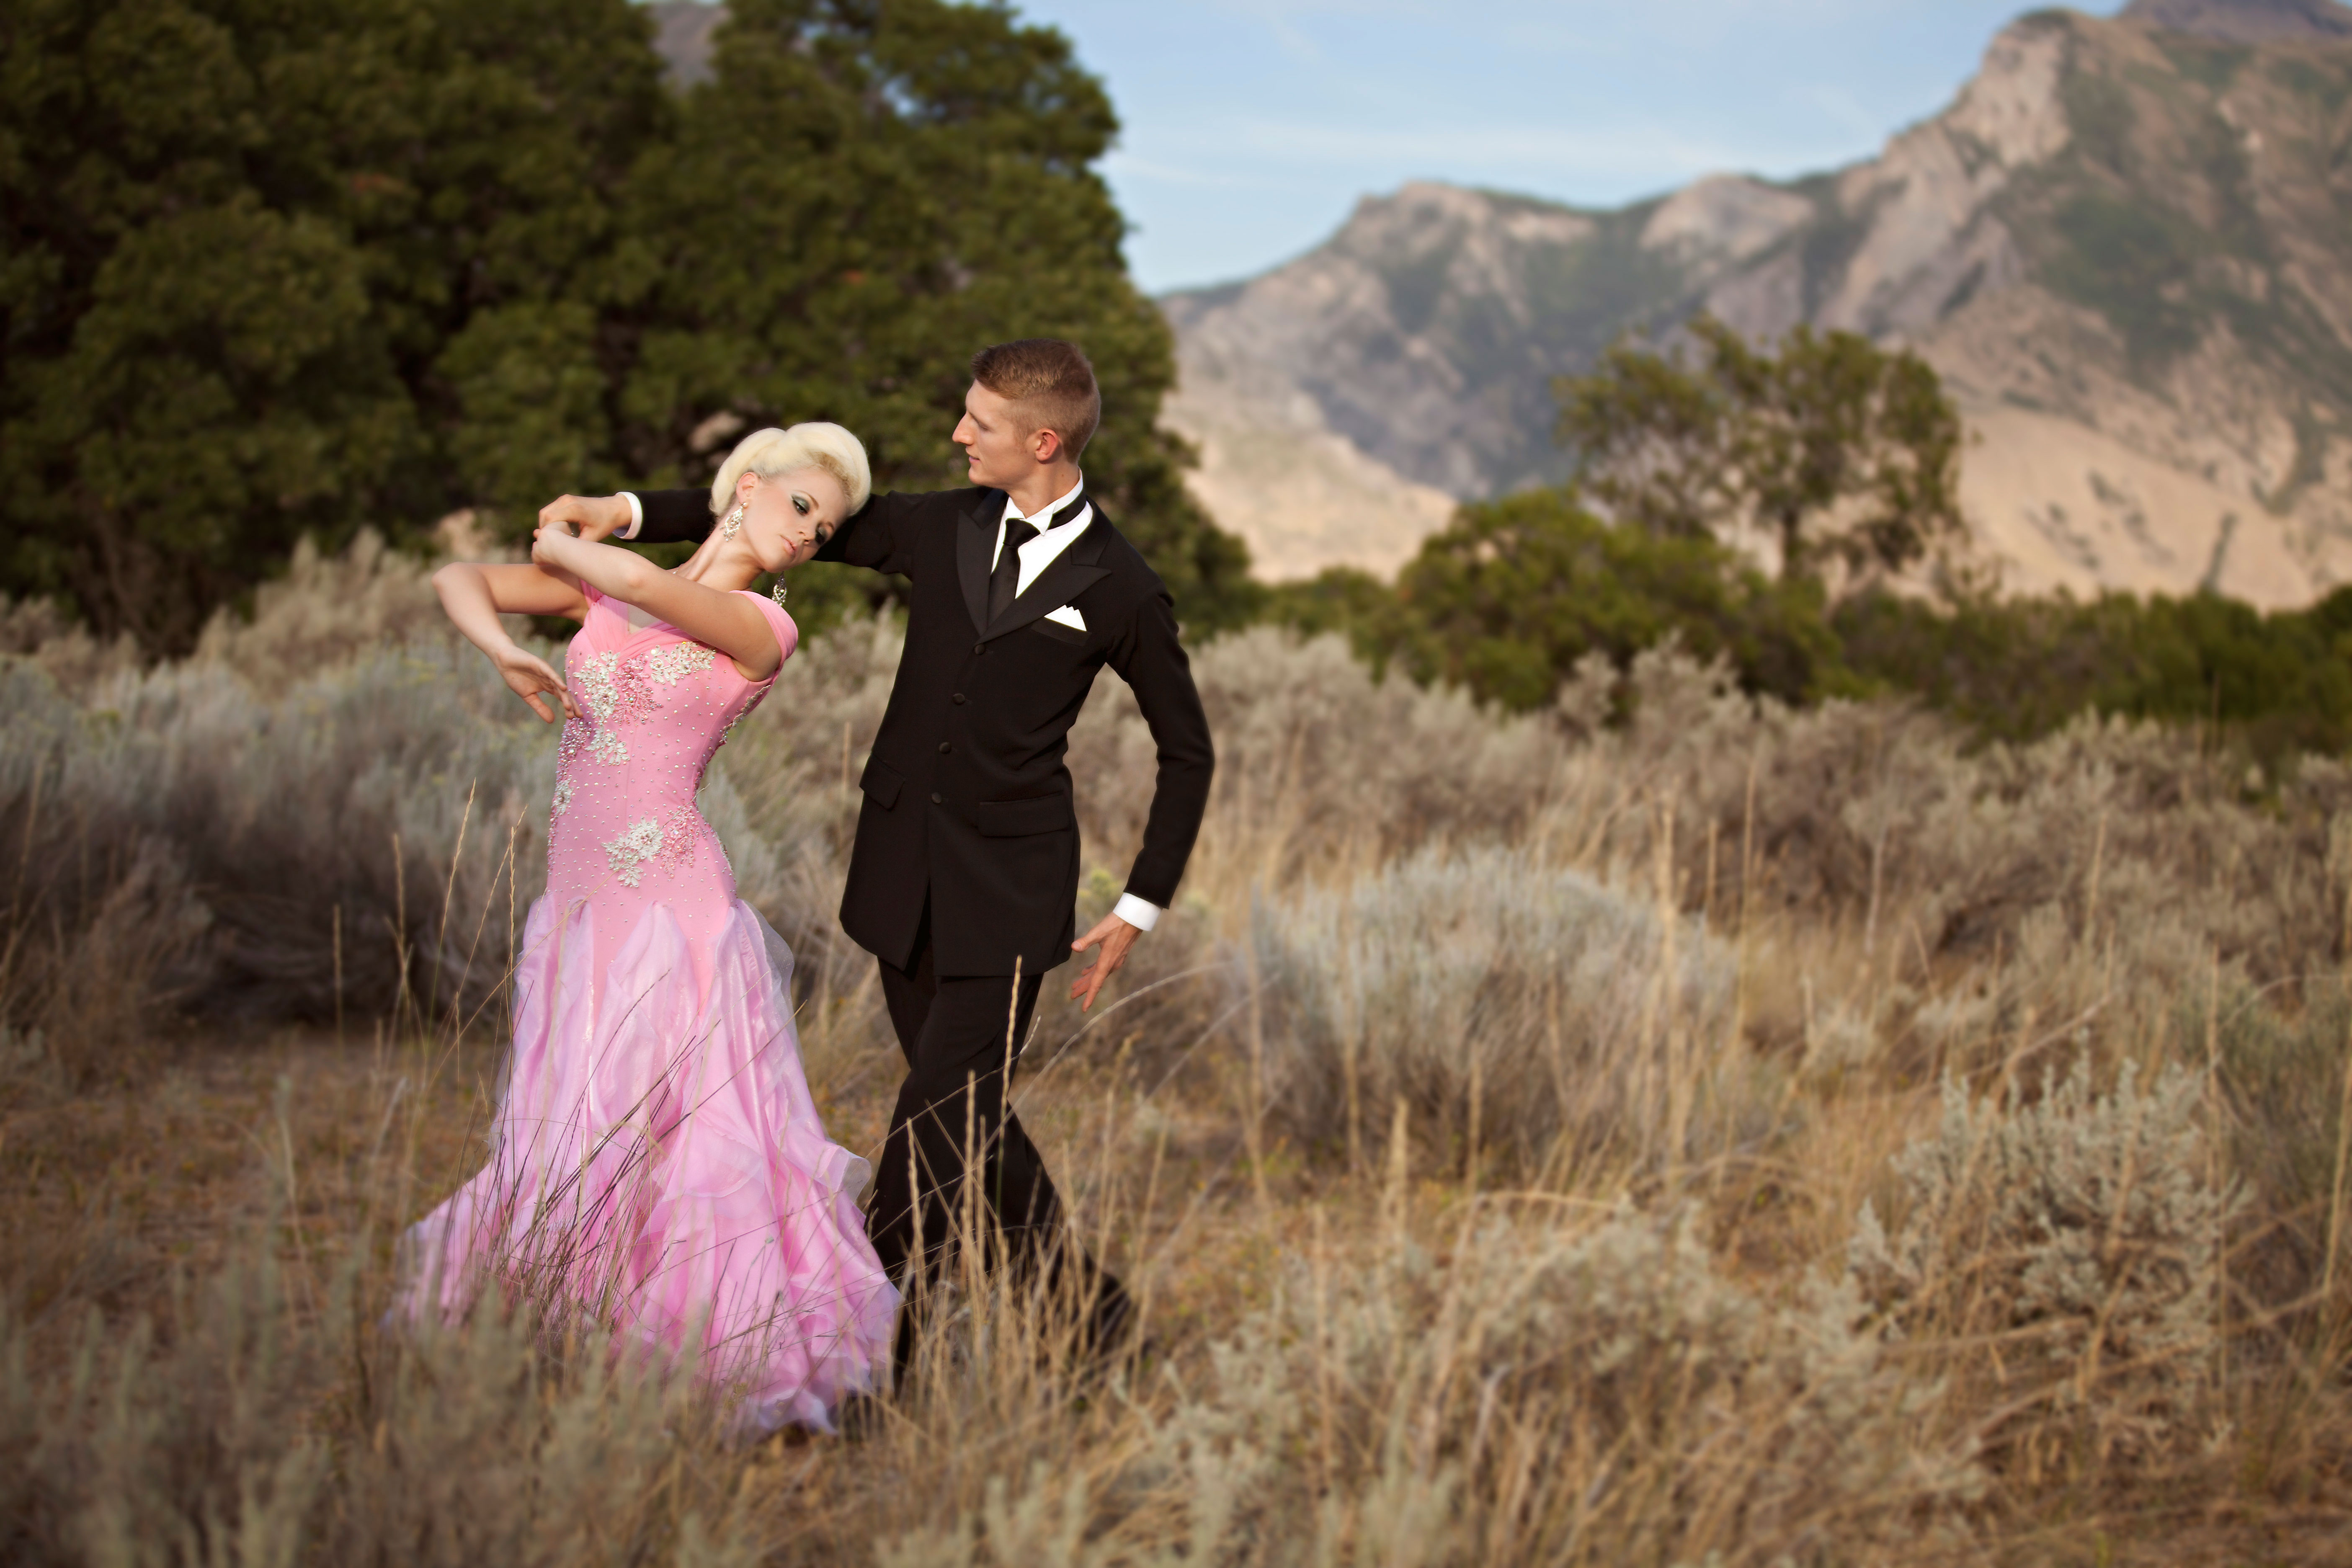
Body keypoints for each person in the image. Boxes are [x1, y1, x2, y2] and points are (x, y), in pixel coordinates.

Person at [538, 338, 1214, 1376]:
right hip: (901, 881)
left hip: (1012, 897)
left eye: (978, 424)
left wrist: (1139, 906)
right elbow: (773, 508)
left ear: (1042, 440)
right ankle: (1095, 1322)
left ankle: (865, 1365)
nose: (957, 435)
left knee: (932, 1131)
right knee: (969, 1118)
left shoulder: (1122, 585)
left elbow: (1187, 749)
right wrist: (622, 511)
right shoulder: (941, 523)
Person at [401, 422, 898, 1436]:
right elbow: (459, 577)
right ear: (749, 486)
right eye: (802, 505)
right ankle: (566, 1329)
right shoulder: (617, 589)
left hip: (674, 912)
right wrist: (504, 650)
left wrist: (576, 528)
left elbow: (600, 565)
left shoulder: (760, 625)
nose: (811, 534)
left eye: (828, 526)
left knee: (680, 1142)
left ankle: (705, 1349)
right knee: (573, 1125)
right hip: (582, 908)